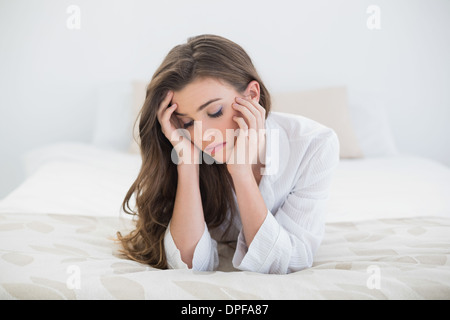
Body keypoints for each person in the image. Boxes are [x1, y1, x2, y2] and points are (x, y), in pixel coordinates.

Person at [117, 34, 340, 274]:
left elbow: (286, 262)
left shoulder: (313, 145)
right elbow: (188, 264)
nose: (202, 135)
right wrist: (188, 164)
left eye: (214, 112)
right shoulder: (188, 146)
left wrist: (241, 172)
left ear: (252, 95)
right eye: (188, 122)